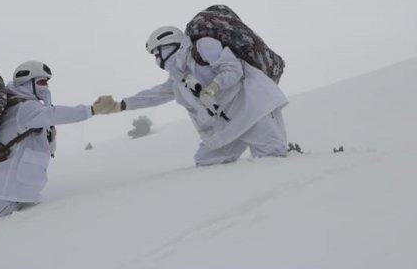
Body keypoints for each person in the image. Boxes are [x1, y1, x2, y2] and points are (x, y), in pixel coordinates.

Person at [93, 26, 293, 166]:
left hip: (252, 111)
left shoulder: (204, 47)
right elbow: (153, 96)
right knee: (206, 161)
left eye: (156, 54)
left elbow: (233, 69)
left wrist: (215, 86)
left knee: (273, 160)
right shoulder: (178, 78)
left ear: (168, 44)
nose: (156, 60)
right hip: (226, 128)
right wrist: (120, 105)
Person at [0, 60, 100, 224]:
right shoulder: (26, 108)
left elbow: (49, 143)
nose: (46, 86)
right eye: (41, 81)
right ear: (27, 82)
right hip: (6, 190)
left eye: (47, 82)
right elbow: (58, 114)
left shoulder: (14, 103)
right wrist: (93, 109)